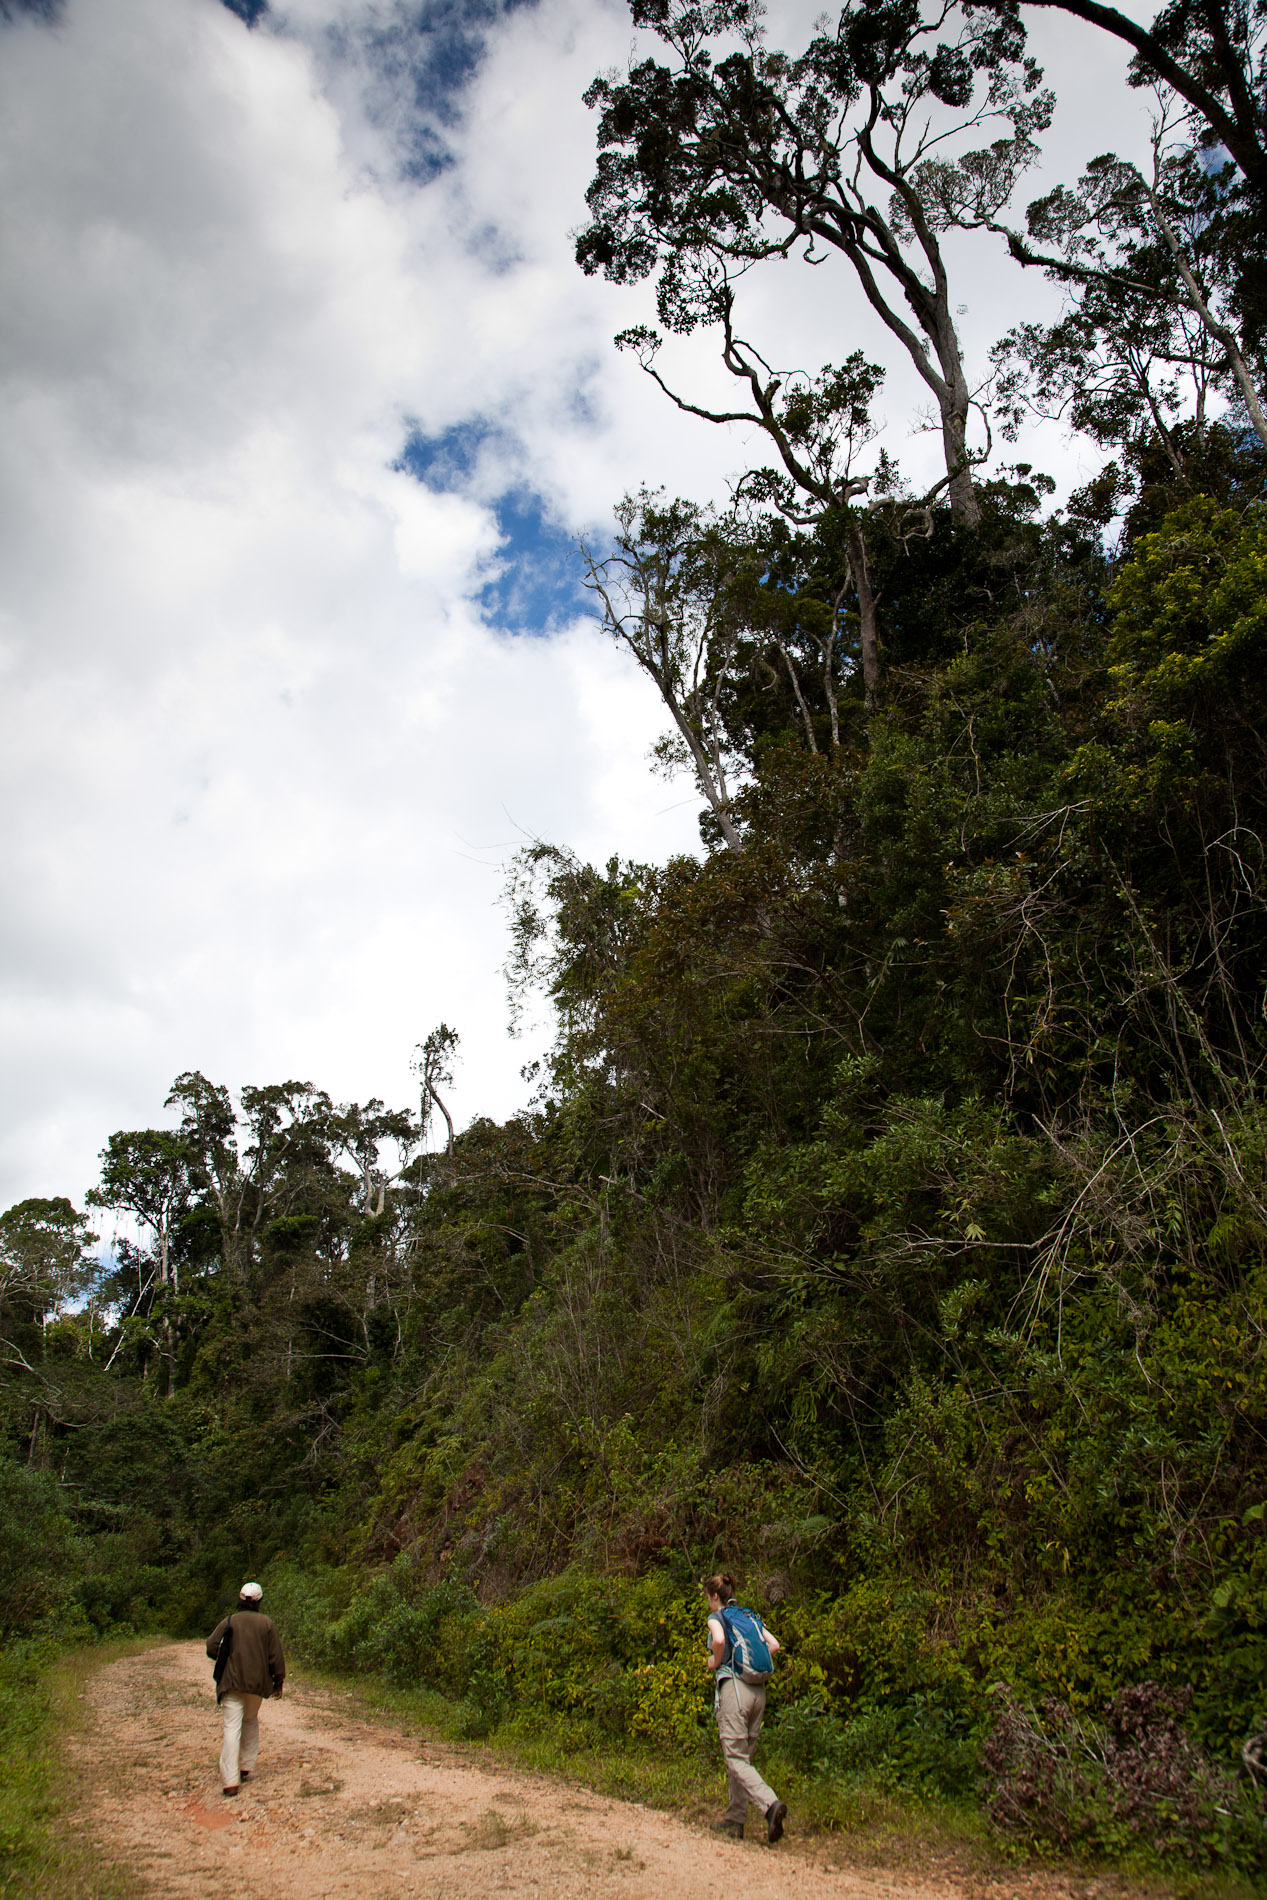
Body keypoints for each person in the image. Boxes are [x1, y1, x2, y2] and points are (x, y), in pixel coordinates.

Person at [704, 1572, 788, 1845]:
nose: (707, 1603)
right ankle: (735, 1820)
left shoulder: (718, 1617)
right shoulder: (749, 1617)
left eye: (708, 1597)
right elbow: (773, 1645)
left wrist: (715, 1662)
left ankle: (770, 1805)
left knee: (736, 1758)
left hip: (735, 1691)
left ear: (715, 1596)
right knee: (743, 1760)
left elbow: (718, 1641)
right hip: (758, 1692)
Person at [205, 1581, 286, 1797]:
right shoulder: (266, 1624)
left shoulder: (229, 1621)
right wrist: (278, 1681)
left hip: (231, 1683)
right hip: (256, 1685)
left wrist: (225, 1658)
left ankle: (230, 1782)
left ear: (240, 1600)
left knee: (231, 1727)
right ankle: (246, 1767)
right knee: (250, 1720)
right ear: (259, 1602)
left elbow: (211, 1646)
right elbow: (275, 1656)